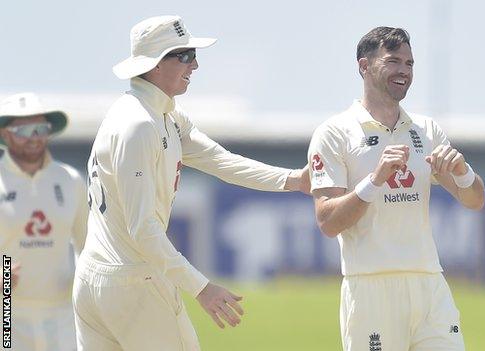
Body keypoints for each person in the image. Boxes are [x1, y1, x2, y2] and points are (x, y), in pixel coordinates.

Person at [72, 15, 309, 351]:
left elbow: (220, 160)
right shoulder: (139, 125)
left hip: (93, 282)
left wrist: (295, 180)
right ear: (154, 64)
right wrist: (201, 287)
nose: (195, 64)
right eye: (183, 55)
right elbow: (144, 231)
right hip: (135, 282)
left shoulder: (162, 114)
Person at [307, 27, 485, 351]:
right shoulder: (335, 133)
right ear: (364, 66)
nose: (404, 70)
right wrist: (374, 180)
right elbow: (327, 221)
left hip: (429, 281)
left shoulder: (426, 130)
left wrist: (463, 171)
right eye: (394, 61)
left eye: (410, 63)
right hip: (371, 285)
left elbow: (475, 200)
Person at [0, 92, 88, 351]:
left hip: (62, 312)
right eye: (23, 130)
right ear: (5, 134)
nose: (33, 137)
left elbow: (89, 247)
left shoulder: (70, 179)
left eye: (40, 128)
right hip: (7, 312)